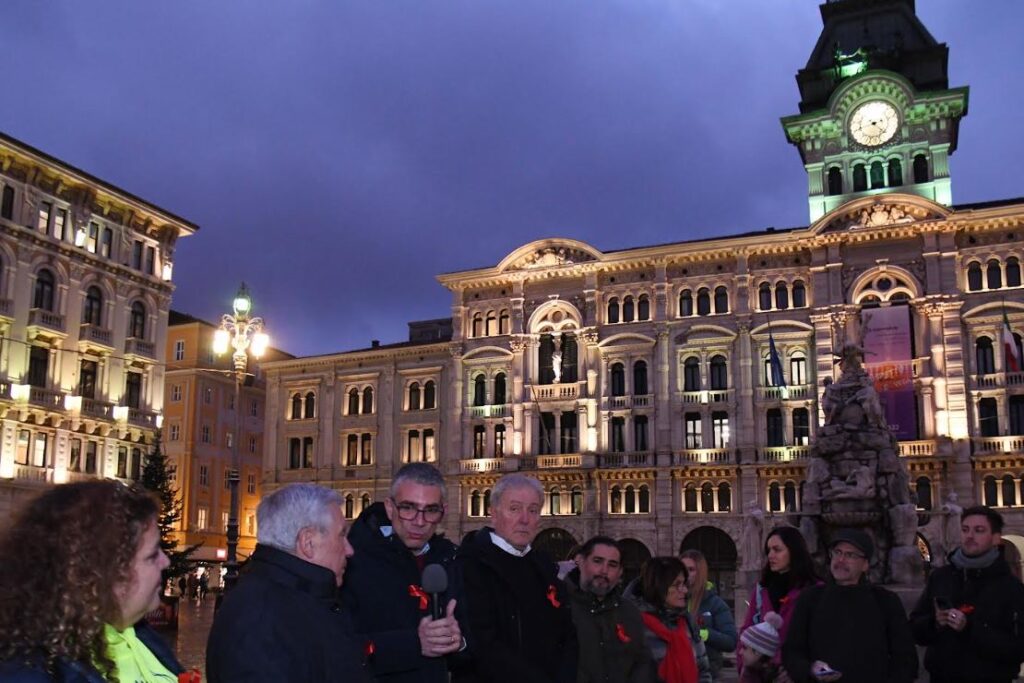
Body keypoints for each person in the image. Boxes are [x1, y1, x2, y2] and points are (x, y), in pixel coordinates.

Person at [0, 480, 185, 681]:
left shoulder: (142, 635)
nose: (166, 561)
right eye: (152, 555)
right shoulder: (31, 671)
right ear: (103, 572)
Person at [206, 483, 371, 683]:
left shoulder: (305, 600)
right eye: (342, 535)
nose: (349, 550)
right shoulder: (259, 620)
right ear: (308, 542)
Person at [341, 462, 464, 682]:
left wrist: (459, 642)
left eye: (431, 510)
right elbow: (337, 648)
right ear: (389, 508)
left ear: (443, 511)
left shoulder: (450, 558)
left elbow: (477, 645)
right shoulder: (352, 563)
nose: (419, 522)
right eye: (408, 508)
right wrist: (414, 644)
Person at [455, 473, 577, 683]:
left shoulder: (544, 567)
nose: (524, 519)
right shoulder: (470, 565)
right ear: (493, 513)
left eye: (533, 510)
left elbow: (567, 634)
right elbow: (482, 644)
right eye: (514, 508)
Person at [782, 529, 917, 683]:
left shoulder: (885, 601)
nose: (840, 560)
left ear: (865, 564)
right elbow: (792, 651)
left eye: (850, 555)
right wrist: (809, 669)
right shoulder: (810, 598)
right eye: (837, 552)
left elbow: (905, 659)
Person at [909, 505, 1024, 683]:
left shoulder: (1010, 587)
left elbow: (1017, 648)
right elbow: (915, 629)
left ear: (995, 538)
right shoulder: (941, 577)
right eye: (965, 530)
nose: (969, 536)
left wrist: (969, 628)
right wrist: (935, 623)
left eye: (979, 530)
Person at [565, 535, 655, 683]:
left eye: (612, 565)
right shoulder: (558, 607)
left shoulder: (629, 613)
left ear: (620, 572)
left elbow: (643, 663)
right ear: (580, 562)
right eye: (597, 561)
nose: (604, 570)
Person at [737, 526, 817, 678]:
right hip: (761, 674)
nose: (771, 555)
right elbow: (747, 628)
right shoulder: (762, 589)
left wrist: (799, 669)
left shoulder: (815, 591)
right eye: (769, 550)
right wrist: (744, 666)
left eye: (777, 550)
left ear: (794, 551)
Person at [626, 556, 712, 683]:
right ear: (658, 586)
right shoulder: (633, 625)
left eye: (684, 584)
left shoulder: (687, 623)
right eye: (677, 585)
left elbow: (703, 670)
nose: (684, 590)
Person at [681, 549, 737, 681]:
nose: (685, 574)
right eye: (682, 569)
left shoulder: (715, 604)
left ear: (701, 572)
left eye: (691, 569)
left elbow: (731, 642)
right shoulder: (672, 599)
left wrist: (703, 634)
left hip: (707, 674)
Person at [737, 612, 783, 683]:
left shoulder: (778, 677)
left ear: (759, 652)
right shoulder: (748, 673)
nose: (740, 652)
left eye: (745, 648)